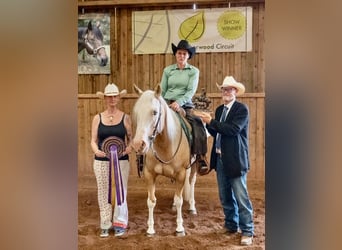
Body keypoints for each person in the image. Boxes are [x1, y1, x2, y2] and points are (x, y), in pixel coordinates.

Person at [197, 76, 254, 245]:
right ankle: (231, 225)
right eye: (224, 89)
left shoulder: (241, 109)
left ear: (236, 91)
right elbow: (217, 133)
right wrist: (206, 124)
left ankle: (247, 231)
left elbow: (233, 130)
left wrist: (211, 121)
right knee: (225, 196)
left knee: (241, 197)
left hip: (236, 160)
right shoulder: (220, 110)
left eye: (229, 89)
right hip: (220, 158)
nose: (226, 92)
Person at [160, 39, 209, 175]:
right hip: (167, 103)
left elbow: (190, 91)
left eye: (184, 54)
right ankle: (145, 156)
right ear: (176, 54)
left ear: (188, 56)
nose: (181, 56)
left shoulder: (193, 71)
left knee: (197, 123)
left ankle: (200, 157)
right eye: (179, 53)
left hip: (185, 104)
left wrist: (178, 103)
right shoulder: (168, 70)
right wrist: (163, 103)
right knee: (152, 120)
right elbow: (162, 90)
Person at [90, 83, 133, 237]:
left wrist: (129, 148)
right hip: (101, 160)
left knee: (121, 191)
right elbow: (93, 140)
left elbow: (131, 138)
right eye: (109, 96)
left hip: (121, 160)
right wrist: (97, 151)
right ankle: (105, 223)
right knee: (103, 191)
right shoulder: (97, 118)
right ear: (105, 99)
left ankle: (120, 222)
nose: (112, 99)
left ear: (118, 98)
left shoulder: (126, 118)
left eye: (115, 96)